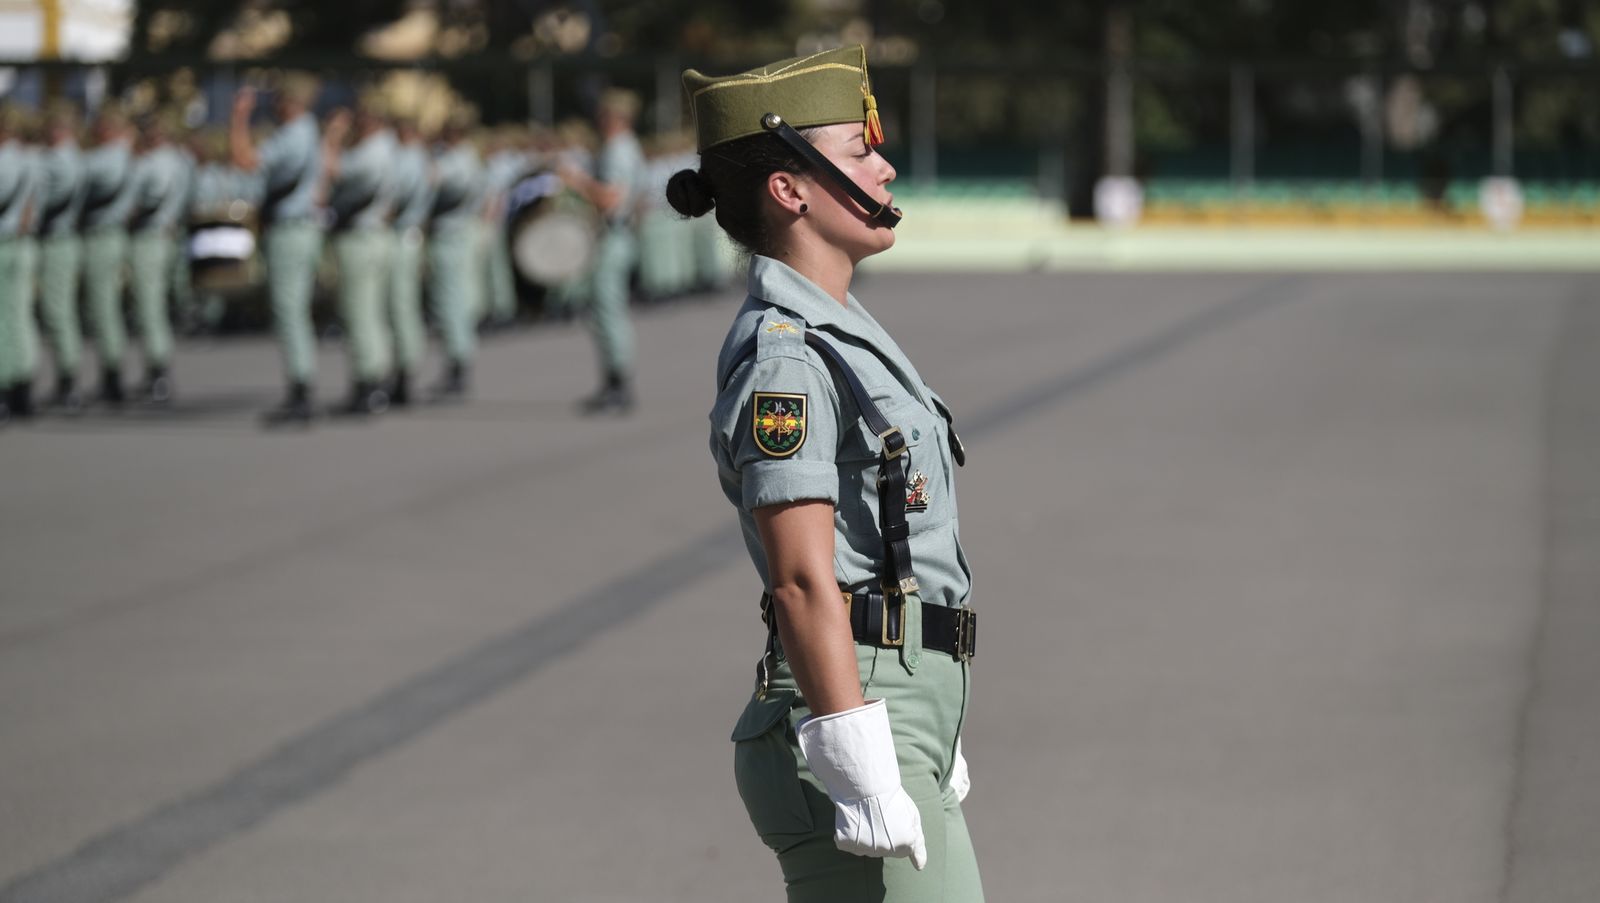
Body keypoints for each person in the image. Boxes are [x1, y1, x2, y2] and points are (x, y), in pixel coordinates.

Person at [674, 45, 981, 902]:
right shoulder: (789, 357)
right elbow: (803, 579)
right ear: (790, 188)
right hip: (854, 709)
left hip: (896, 700)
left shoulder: (841, 332)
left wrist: (932, 711)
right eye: (859, 150)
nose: (885, 167)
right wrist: (859, 756)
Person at [230, 74, 324, 425]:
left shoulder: (293, 134)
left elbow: (244, 159)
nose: (273, 105)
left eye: (278, 98)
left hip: (290, 230)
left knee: (289, 311)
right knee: (295, 310)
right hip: (301, 229)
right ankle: (301, 386)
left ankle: (301, 391)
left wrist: (239, 116)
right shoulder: (309, 130)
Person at [559, 88, 645, 414]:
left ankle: (618, 382)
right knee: (608, 311)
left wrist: (577, 181)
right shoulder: (628, 147)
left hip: (612, 236)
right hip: (619, 235)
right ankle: (614, 380)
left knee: (608, 311)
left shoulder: (617, 150)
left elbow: (609, 199)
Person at [321, 96, 396, 416]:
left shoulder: (372, 151)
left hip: (361, 237)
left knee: (359, 313)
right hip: (378, 235)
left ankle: (367, 383)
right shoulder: (389, 148)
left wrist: (332, 136)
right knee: (374, 312)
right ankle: (377, 377)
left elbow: (332, 169)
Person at [126, 109, 191, 404]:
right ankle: (156, 369)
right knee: (155, 305)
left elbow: (150, 197)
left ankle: (158, 372)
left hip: (150, 236)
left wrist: (132, 214)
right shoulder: (181, 160)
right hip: (167, 235)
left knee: (149, 307)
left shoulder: (156, 161)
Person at [79, 102, 139, 406]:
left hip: (102, 235)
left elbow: (81, 178)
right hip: (113, 235)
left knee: (102, 307)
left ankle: (112, 375)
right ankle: (112, 372)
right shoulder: (128, 156)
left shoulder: (107, 157)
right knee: (107, 307)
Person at [425, 106, 486, 400]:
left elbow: (431, 179)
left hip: (450, 236)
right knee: (459, 300)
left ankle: (457, 365)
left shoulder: (454, 161)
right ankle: (458, 362)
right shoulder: (471, 156)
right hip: (463, 233)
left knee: (449, 303)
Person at [35, 101, 87, 413]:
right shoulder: (77, 157)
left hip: (57, 239)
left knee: (57, 311)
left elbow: (53, 196)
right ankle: (67, 379)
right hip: (66, 239)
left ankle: (68, 382)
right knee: (62, 311)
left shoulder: (59, 159)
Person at [384, 111, 432, 407]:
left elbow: (395, 198)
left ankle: (404, 372)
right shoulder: (420, 157)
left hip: (402, 235)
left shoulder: (409, 158)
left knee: (400, 307)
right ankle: (404, 370)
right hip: (410, 234)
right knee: (403, 306)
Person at [0, 103, 41, 420]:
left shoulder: (6, 160)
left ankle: (6, 385)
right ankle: (23, 386)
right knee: (20, 316)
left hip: (6, 243)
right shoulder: (32, 158)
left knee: (5, 319)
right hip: (25, 243)